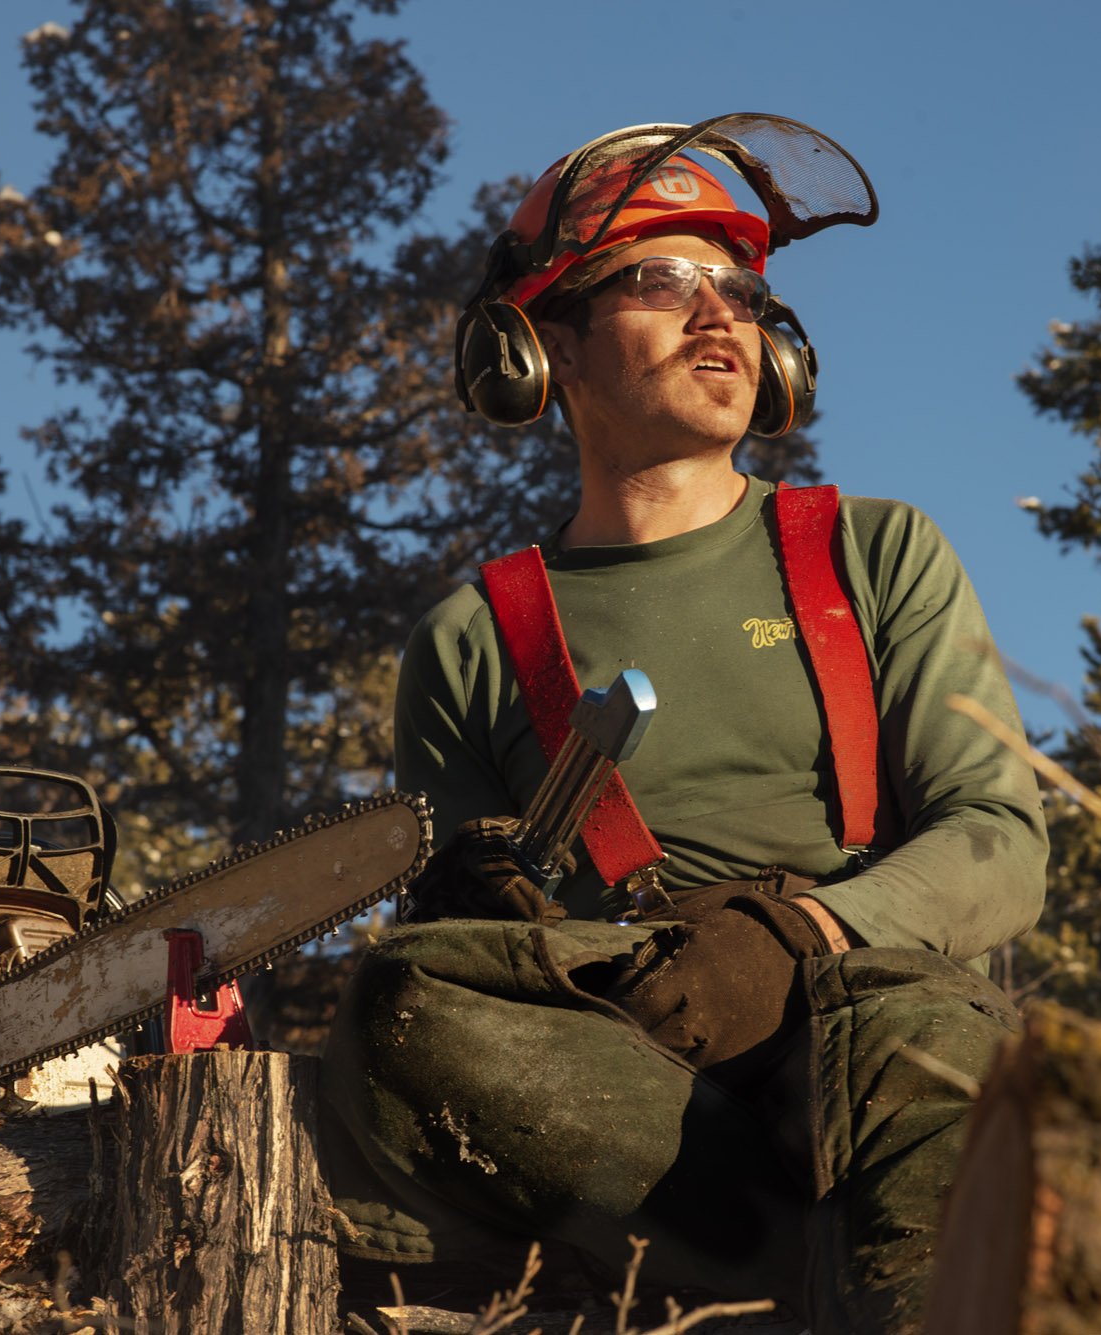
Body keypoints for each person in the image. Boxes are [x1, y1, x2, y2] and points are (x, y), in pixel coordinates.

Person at [322, 116, 1047, 1335]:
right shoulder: (471, 636)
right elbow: (455, 937)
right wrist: (485, 909)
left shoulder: (872, 553)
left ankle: (859, 1274)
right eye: (660, 280)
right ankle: (767, 1268)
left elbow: (1000, 842)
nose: (720, 317)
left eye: (741, 292)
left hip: (872, 1032)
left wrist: (797, 931)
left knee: (928, 1046)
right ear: (536, 343)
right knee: (403, 1003)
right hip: (640, 1079)